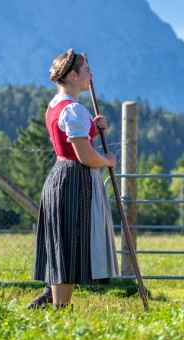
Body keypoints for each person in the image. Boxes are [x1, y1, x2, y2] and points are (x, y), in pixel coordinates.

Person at [28, 48, 119, 309]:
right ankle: (60, 309)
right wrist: (107, 160)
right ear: (74, 74)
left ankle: (51, 297)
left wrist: (94, 126)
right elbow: (85, 157)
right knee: (68, 242)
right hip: (74, 179)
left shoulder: (57, 106)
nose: (91, 75)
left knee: (63, 239)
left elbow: (68, 140)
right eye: (87, 70)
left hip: (61, 175)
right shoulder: (73, 110)